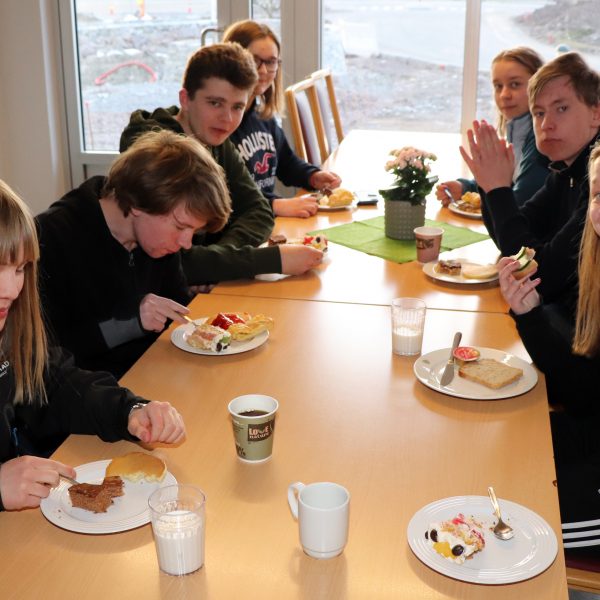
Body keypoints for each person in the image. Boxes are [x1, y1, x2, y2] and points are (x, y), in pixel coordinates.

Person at [0, 179, 186, 511]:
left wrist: (129, 411)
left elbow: (59, 384)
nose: (12, 290)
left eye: (20, 269)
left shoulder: (11, 331)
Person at [120, 42, 323, 286]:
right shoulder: (152, 149)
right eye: (215, 103)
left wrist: (217, 264)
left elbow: (259, 211)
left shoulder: (215, 139)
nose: (227, 118)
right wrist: (263, 260)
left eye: (237, 107)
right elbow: (171, 262)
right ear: (185, 99)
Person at [37, 130, 231, 379]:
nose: (186, 243)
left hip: (154, 372)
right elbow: (41, 355)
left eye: (194, 231)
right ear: (139, 204)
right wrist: (129, 322)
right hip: (90, 389)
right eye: (180, 226)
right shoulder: (50, 238)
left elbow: (179, 312)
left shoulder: (156, 241)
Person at [497, 141, 600, 551]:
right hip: (589, 434)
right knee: (484, 449)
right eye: (597, 194)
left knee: (508, 523)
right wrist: (530, 314)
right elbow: (582, 395)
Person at [460, 51, 600, 302]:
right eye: (539, 113)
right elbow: (513, 240)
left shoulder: (596, 180)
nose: (546, 124)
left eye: (561, 108)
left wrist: (498, 190)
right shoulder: (565, 170)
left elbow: (541, 276)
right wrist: (489, 184)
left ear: (596, 113)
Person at [223, 19, 342, 218]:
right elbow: (224, 196)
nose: (263, 70)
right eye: (254, 60)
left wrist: (312, 176)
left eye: (270, 62)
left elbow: (285, 162)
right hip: (246, 224)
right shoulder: (221, 124)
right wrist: (276, 204)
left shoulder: (263, 116)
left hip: (265, 218)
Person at [436, 47, 548, 207]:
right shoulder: (517, 130)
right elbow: (505, 181)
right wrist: (464, 188)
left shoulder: (542, 139)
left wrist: (482, 196)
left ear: (539, 86)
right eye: (498, 86)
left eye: (515, 84)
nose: (504, 95)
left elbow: (520, 200)